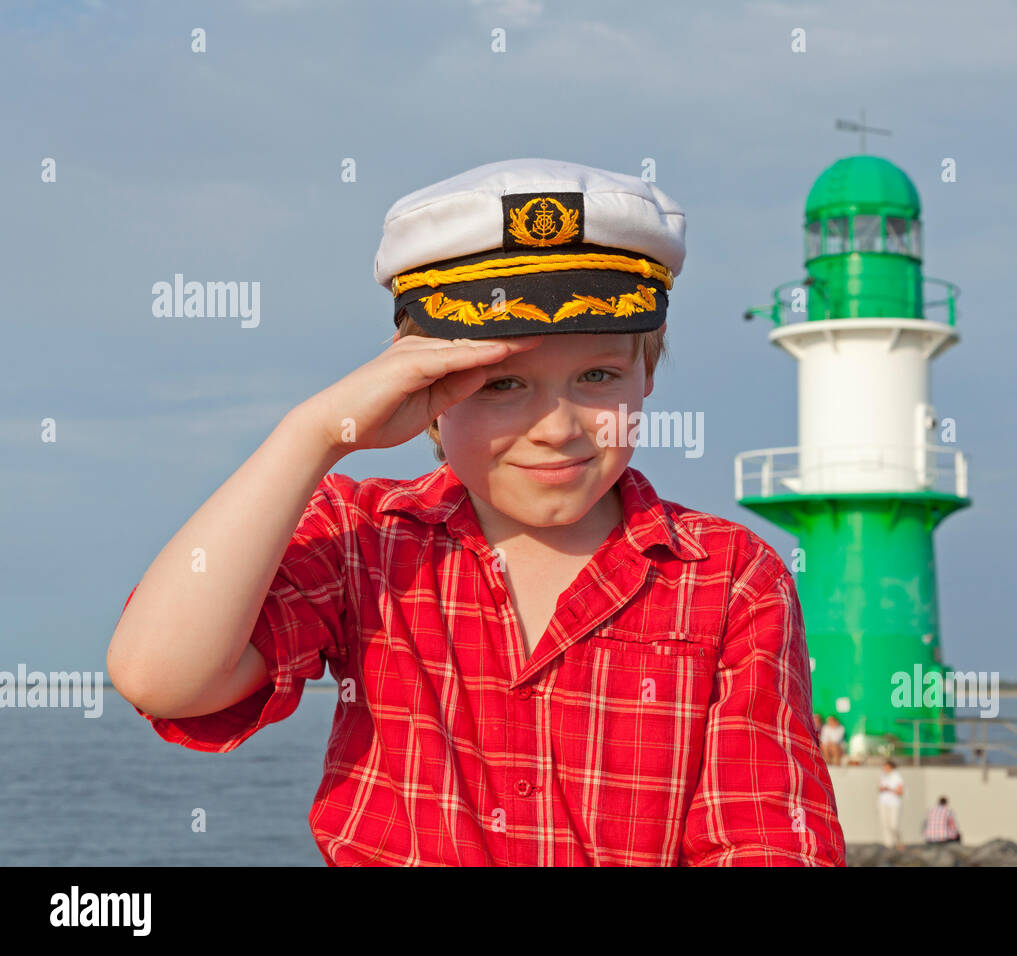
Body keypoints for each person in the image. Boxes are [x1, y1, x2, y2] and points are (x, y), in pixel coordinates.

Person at [107, 159, 846, 867]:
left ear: (646, 372)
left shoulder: (728, 576)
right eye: (501, 385)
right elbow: (161, 677)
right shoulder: (364, 540)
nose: (557, 426)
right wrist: (313, 435)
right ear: (419, 387)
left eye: (596, 375)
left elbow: (766, 840)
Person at [878, 759, 905, 850]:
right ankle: (888, 845)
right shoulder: (883, 776)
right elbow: (880, 788)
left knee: (894, 825)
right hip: (883, 802)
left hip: (894, 803)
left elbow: (900, 791)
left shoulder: (897, 777)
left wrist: (889, 789)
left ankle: (898, 842)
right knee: (885, 824)